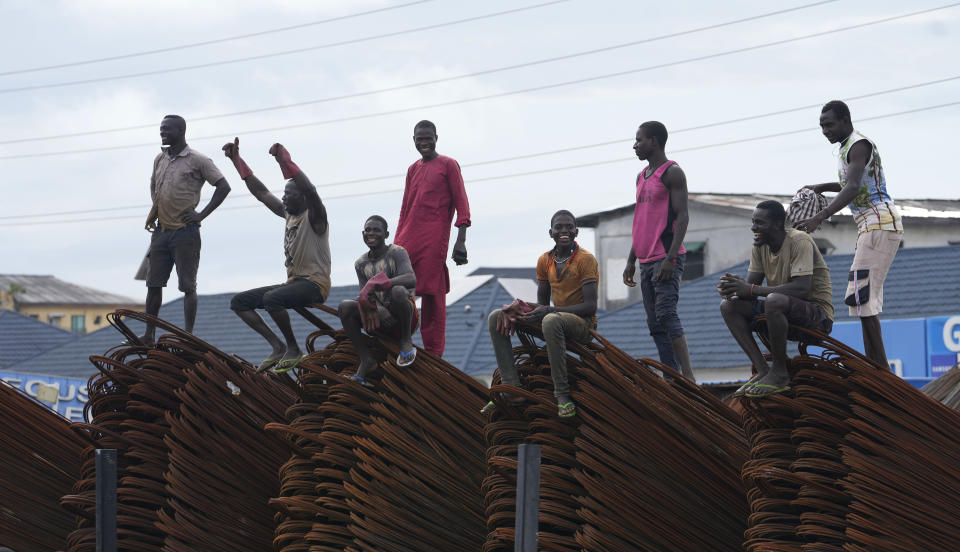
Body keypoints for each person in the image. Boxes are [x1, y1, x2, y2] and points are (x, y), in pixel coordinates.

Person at [795, 100, 902, 370]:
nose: (824, 130)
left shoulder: (858, 145)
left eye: (829, 124)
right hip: (870, 226)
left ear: (845, 120)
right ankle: (877, 365)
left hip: (880, 223)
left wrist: (820, 215)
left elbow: (853, 187)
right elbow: (849, 182)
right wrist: (822, 186)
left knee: (862, 296)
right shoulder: (847, 149)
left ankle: (880, 370)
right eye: (821, 126)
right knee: (859, 298)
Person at [222, 138, 331, 372]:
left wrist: (285, 162)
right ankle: (278, 345)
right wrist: (236, 160)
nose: (282, 198)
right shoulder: (288, 214)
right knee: (239, 302)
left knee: (273, 299)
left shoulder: (315, 218)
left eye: (288, 194)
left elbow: (311, 191)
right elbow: (261, 193)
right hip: (294, 282)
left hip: (315, 284)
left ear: (301, 198)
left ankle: (294, 348)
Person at [482, 210, 598, 418]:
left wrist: (550, 311)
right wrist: (519, 307)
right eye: (559, 227)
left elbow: (590, 306)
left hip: (582, 324)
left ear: (576, 232)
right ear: (550, 233)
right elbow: (543, 306)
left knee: (552, 320)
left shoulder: (585, 259)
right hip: (554, 320)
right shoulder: (545, 260)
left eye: (569, 227)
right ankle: (511, 387)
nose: (564, 231)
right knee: (496, 316)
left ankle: (562, 394)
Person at [719, 200, 834, 398]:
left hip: (817, 317)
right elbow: (750, 290)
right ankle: (764, 370)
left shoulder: (799, 241)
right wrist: (734, 287)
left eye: (760, 223)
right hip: (781, 310)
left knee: (774, 300)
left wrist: (751, 289)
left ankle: (780, 374)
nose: (754, 228)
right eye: (753, 222)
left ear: (777, 225)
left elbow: (802, 289)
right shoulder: (760, 245)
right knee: (729, 306)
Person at [139, 115, 231, 345]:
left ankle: (188, 335)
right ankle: (149, 334)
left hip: (185, 232)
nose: (162, 133)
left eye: (167, 129)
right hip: (161, 231)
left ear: (181, 131)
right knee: (153, 283)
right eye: (161, 129)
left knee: (188, 285)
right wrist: (158, 208)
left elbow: (223, 186)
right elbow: (153, 186)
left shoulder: (198, 160)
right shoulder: (160, 159)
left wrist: (201, 214)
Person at [622, 121, 695, 381]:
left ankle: (688, 378)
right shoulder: (641, 175)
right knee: (654, 324)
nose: (635, 145)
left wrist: (671, 258)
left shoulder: (672, 173)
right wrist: (631, 259)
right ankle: (671, 377)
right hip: (644, 259)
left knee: (667, 315)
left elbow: (683, 217)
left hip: (665, 257)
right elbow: (643, 221)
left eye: (639, 140)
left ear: (653, 141)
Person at [393, 120, 471, 357]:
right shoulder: (412, 169)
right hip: (408, 238)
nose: (424, 143)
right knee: (396, 289)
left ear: (436, 138)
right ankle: (401, 342)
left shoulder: (448, 164)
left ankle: (433, 353)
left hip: (435, 238)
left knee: (432, 293)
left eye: (428, 138)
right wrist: (395, 245)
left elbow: (462, 203)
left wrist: (461, 239)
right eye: (420, 139)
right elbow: (404, 209)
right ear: (414, 140)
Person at [338, 216, 419, 386]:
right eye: (367, 230)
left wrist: (386, 283)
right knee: (345, 306)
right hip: (379, 319)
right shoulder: (360, 263)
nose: (371, 233)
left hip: (402, 316)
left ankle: (405, 341)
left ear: (386, 234)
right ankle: (366, 360)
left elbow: (411, 279)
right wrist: (378, 308)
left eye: (376, 230)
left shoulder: (397, 252)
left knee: (398, 291)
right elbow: (364, 294)